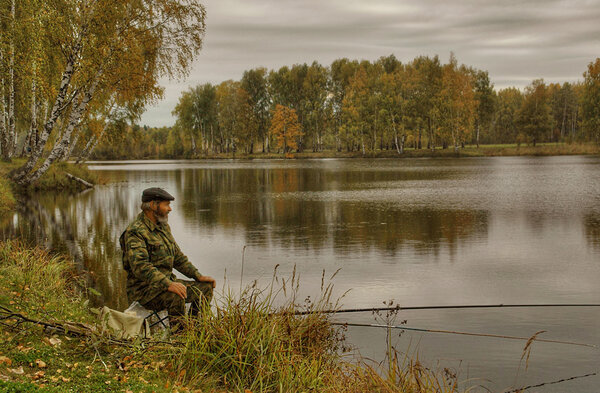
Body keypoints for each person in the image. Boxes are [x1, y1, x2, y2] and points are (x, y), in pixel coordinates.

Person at [119, 187, 216, 327]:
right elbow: (140, 267)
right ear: (152, 205)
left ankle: (195, 330)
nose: (170, 209)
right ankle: (180, 338)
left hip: (165, 285)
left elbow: (177, 257)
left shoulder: (163, 226)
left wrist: (197, 276)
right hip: (144, 292)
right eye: (166, 204)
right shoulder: (135, 232)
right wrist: (169, 284)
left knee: (205, 288)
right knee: (176, 296)